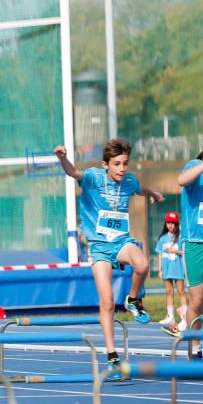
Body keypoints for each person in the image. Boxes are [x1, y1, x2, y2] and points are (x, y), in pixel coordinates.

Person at [55, 139, 163, 367]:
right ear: (106, 165)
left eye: (125, 163)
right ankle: (112, 354)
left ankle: (133, 300)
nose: (122, 169)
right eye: (117, 164)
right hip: (99, 247)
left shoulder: (130, 180)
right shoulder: (94, 178)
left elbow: (140, 189)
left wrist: (152, 193)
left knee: (142, 265)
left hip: (122, 241)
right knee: (106, 301)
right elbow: (73, 172)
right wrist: (63, 159)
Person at [178, 137, 203, 358]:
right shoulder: (193, 166)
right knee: (198, 300)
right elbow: (182, 180)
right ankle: (194, 349)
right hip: (197, 243)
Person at [155, 212, 187, 330]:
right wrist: (160, 270)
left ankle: (184, 315)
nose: (171, 225)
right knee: (169, 291)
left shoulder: (181, 237)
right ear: (166, 223)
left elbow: (185, 252)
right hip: (166, 269)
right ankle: (170, 316)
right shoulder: (162, 238)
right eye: (169, 223)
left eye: (173, 223)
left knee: (181, 291)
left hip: (178, 269)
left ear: (177, 224)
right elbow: (159, 254)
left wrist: (175, 251)